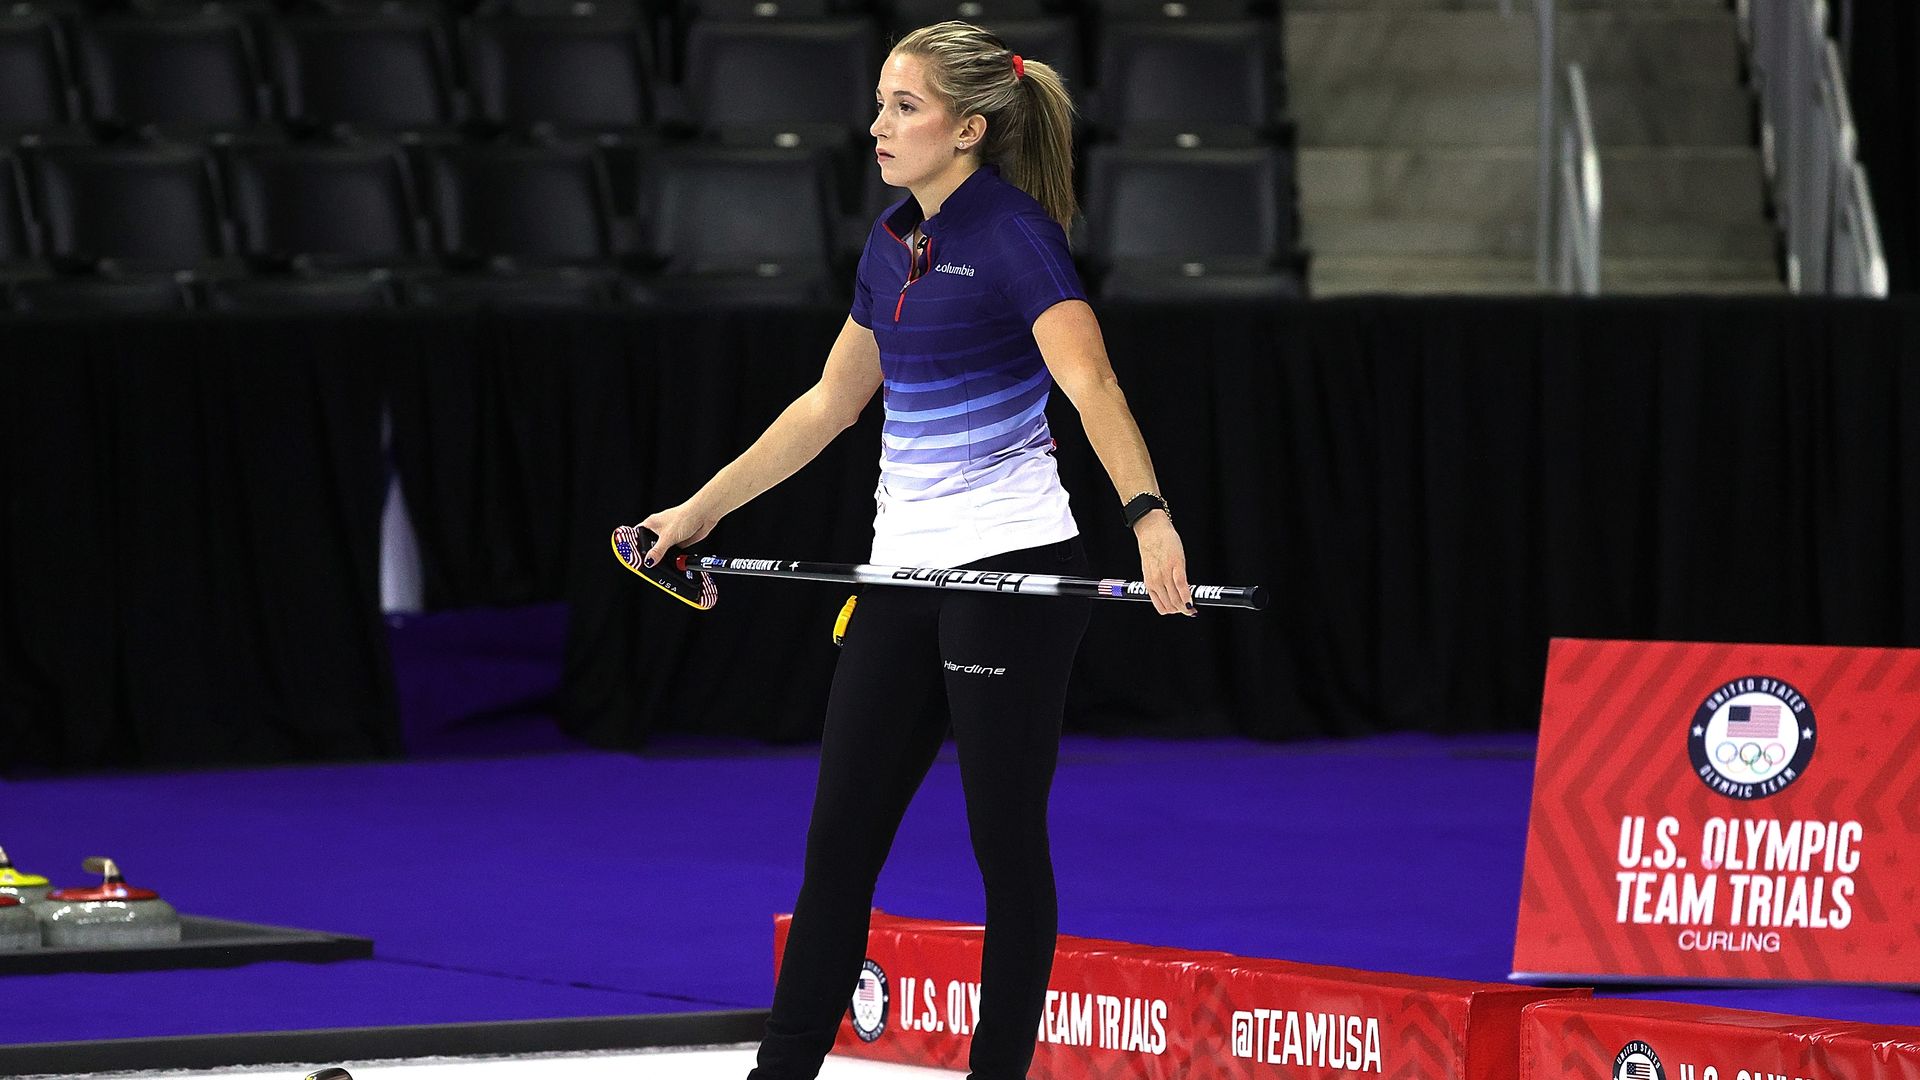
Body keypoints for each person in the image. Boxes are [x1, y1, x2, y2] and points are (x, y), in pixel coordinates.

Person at [636, 21, 1193, 1080]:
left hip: (1012, 576)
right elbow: (827, 407)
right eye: (881, 102)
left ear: (969, 129)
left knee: (1005, 848)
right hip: (900, 579)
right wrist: (697, 513)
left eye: (905, 107)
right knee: (837, 846)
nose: (879, 125)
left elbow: (1094, 386)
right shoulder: (894, 239)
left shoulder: (1017, 235)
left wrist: (1149, 514)